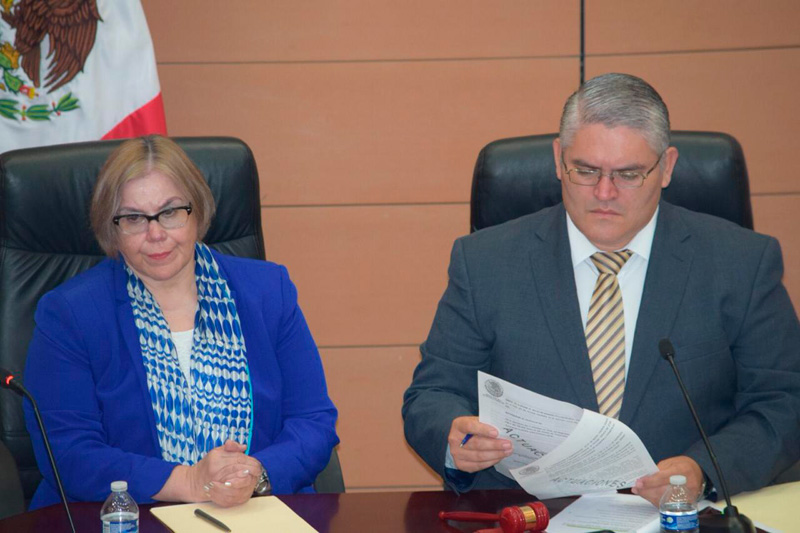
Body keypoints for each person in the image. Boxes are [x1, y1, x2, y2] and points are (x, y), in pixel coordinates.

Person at [402, 73, 800, 506]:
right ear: (558, 159)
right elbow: (433, 394)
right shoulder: (485, 262)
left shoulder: (741, 263)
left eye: (628, 174)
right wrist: (454, 436)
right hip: (530, 515)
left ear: (666, 167)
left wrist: (703, 470)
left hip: (682, 515)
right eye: (586, 170)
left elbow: (784, 401)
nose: (604, 193)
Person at [24, 135, 338, 509]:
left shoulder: (269, 292)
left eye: (170, 212)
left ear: (197, 212)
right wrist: (186, 482)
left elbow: (313, 421)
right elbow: (67, 452)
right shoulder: (70, 314)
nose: (156, 233)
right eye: (134, 218)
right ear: (112, 227)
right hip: (126, 517)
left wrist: (257, 474)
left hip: (255, 510)